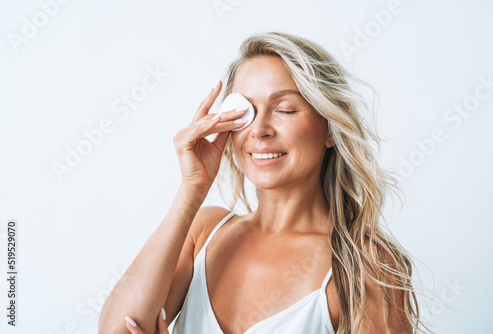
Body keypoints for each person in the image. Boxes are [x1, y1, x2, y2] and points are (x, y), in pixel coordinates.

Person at [99, 31, 428, 334]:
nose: (259, 130)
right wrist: (191, 190)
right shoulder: (203, 233)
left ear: (330, 128)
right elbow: (116, 330)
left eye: (284, 109)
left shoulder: (363, 265)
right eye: (244, 112)